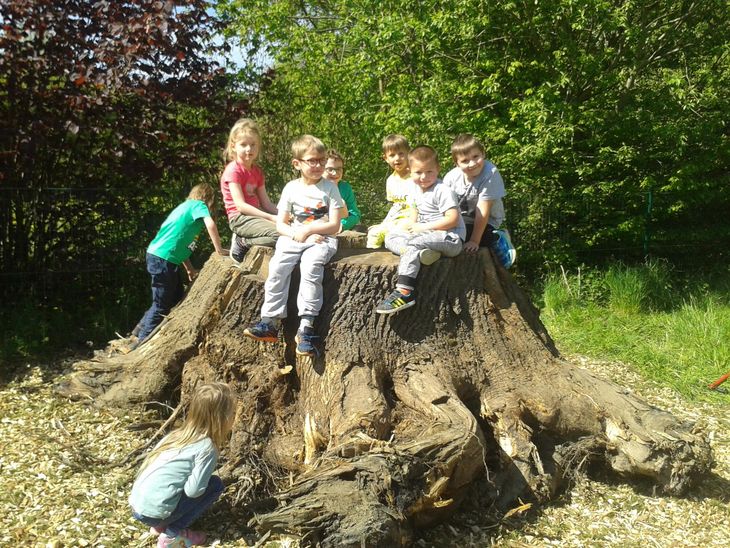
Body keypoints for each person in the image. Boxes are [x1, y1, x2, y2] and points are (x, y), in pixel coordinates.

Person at [243, 135, 345, 357]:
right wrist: (297, 233)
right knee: (278, 267)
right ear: (297, 163)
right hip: (295, 236)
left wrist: (310, 231)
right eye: (312, 160)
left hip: (322, 238)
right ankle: (269, 322)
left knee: (311, 268)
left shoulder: (330, 188)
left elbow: (335, 225)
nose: (318, 165)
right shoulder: (291, 188)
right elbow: (281, 223)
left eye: (321, 160)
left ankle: (306, 328)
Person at [129, 382, 236, 547]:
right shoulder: (207, 447)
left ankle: (159, 525)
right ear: (222, 418)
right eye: (232, 413)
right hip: (154, 512)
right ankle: (172, 535)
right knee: (215, 485)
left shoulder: (177, 435)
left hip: (137, 505)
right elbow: (193, 491)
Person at [376, 145, 465, 314]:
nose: (424, 177)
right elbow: (414, 212)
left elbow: (452, 220)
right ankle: (417, 252)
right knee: (390, 237)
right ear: (410, 170)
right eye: (418, 172)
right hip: (424, 236)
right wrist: (410, 227)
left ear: (438, 169)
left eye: (429, 172)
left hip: (449, 239)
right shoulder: (414, 189)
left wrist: (422, 228)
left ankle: (405, 292)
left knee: (415, 242)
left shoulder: (443, 190)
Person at [135, 184, 228, 344]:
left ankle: (137, 331)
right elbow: (210, 224)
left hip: (163, 257)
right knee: (161, 305)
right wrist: (219, 249)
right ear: (209, 199)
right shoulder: (198, 205)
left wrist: (190, 269)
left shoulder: (185, 208)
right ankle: (141, 342)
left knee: (176, 297)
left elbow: (179, 243)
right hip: (163, 259)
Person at [442, 134, 516, 268]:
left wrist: (475, 241)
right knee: (445, 232)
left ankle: (496, 238)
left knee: (463, 237)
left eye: (476, 157)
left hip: (486, 220)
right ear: (456, 163)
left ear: (483, 153)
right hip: (461, 218)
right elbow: (443, 205)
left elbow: (483, 209)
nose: (472, 163)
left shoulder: (490, 173)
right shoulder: (451, 177)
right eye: (465, 160)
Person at [220, 118, 279, 262]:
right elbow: (240, 206)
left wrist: (285, 214)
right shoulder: (233, 171)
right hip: (239, 218)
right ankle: (242, 243)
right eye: (244, 144)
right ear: (233, 146)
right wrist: (271, 218)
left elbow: (266, 204)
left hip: (255, 216)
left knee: (290, 229)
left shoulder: (257, 172)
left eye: (253, 145)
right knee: (280, 234)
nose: (249, 149)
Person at [366, 134, 416, 248]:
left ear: (409, 153)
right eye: (392, 155)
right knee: (374, 233)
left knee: (394, 234)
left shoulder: (417, 176)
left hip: (415, 218)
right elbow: (396, 206)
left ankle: (409, 253)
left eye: (401, 154)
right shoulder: (390, 180)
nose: (397, 158)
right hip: (397, 219)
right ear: (386, 158)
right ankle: (374, 258)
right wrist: (384, 223)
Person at [324, 149, 363, 232]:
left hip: (339, 228)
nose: (335, 173)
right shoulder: (313, 188)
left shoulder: (345, 188)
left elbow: (355, 215)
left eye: (339, 169)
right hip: (317, 227)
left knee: (341, 203)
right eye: (330, 169)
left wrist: (342, 224)